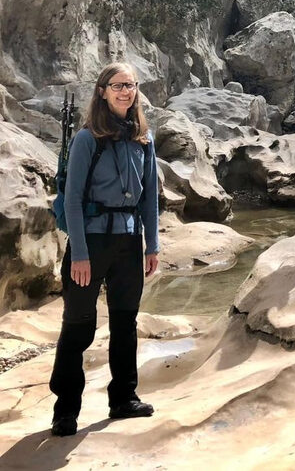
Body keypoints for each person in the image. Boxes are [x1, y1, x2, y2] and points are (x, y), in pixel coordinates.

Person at [49, 62, 160, 437]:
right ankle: (65, 410)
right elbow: (74, 201)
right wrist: (78, 252)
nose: (125, 91)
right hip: (91, 244)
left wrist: (152, 245)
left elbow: (150, 200)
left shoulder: (144, 137)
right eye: (118, 85)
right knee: (78, 328)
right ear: (102, 91)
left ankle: (123, 398)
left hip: (129, 242)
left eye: (131, 85)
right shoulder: (87, 139)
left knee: (125, 324)